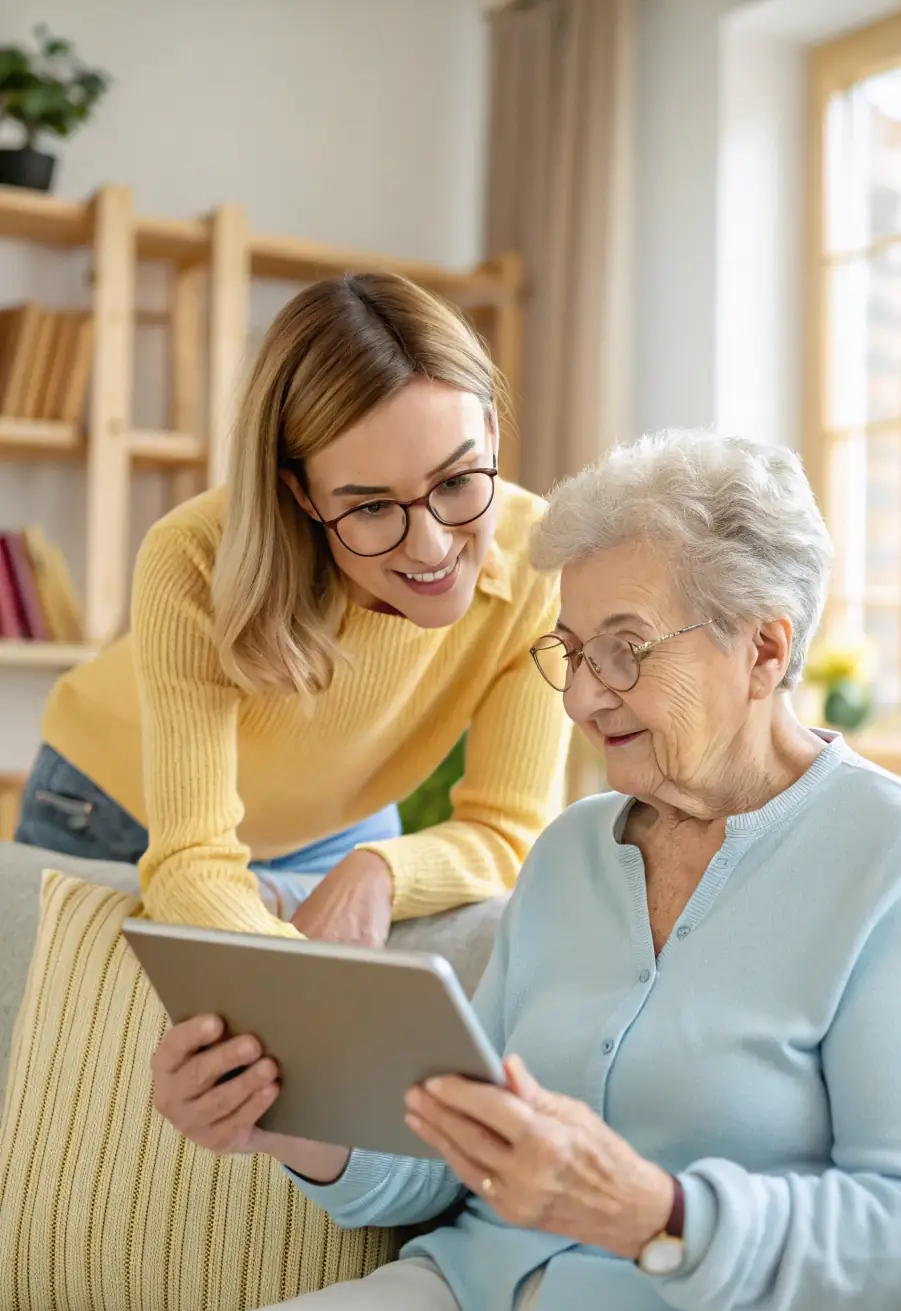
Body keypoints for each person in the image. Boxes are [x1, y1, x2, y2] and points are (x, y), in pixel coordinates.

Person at [128, 430, 901, 1311]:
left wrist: (658, 1213)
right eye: (572, 651)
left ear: (763, 646)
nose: (585, 697)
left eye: (625, 650)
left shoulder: (896, 856)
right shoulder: (569, 853)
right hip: (475, 1299)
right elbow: (448, 1148)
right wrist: (295, 1119)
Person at [15, 274, 571, 944]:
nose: (433, 545)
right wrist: (293, 978)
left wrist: (381, 870)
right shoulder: (192, 556)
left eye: (455, 481)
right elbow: (191, 859)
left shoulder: (537, 557)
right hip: (112, 808)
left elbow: (507, 829)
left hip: (339, 828)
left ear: (489, 430)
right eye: (370, 506)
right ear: (302, 493)